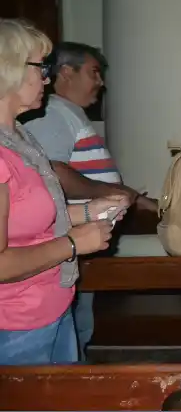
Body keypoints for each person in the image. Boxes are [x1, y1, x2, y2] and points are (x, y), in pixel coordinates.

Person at [0, 19, 125, 365]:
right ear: (7, 68)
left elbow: (31, 219)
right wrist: (72, 244)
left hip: (51, 304)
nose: (47, 78)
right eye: (40, 67)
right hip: (14, 322)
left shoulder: (21, 137)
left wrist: (91, 211)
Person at [25, 41, 156, 360]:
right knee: (71, 329)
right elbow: (53, 170)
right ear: (66, 72)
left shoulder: (66, 113)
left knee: (78, 326)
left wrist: (137, 201)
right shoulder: (54, 113)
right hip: (70, 239)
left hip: (83, 241)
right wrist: (104, 193)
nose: (101, 82)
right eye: (93, 72)